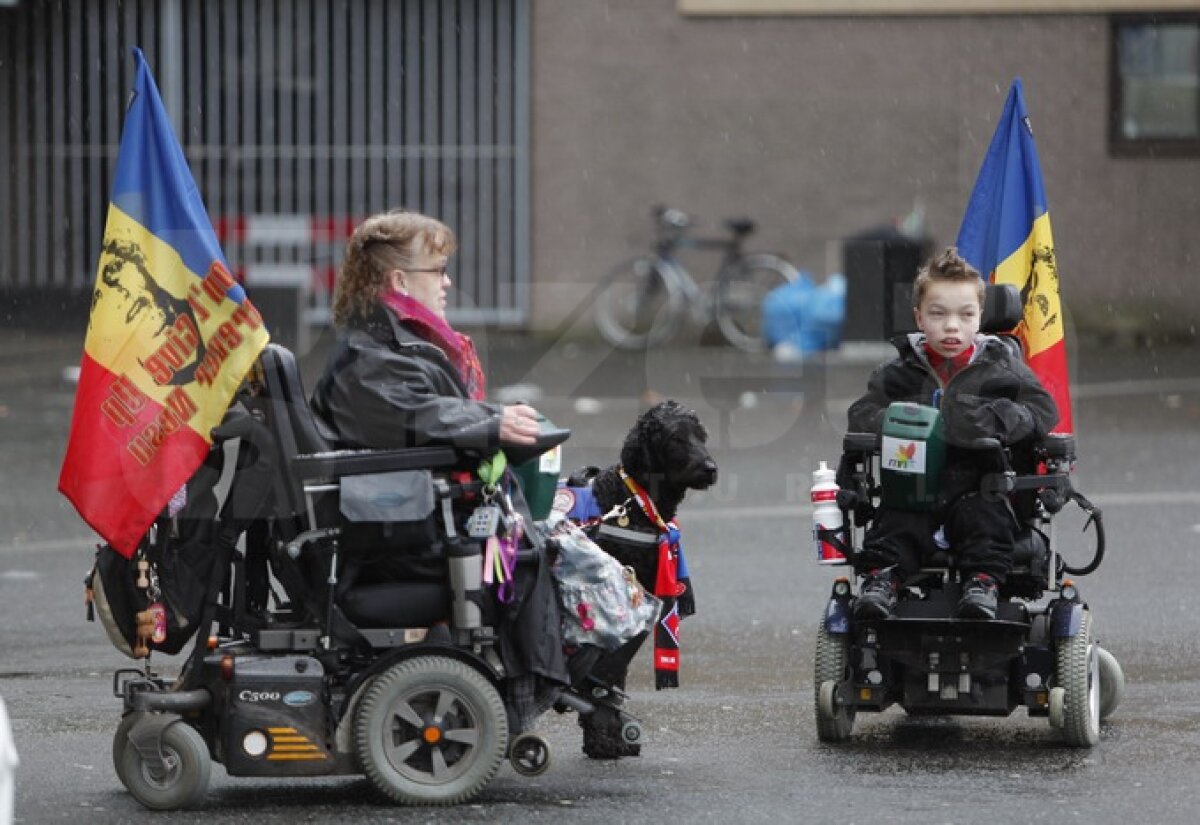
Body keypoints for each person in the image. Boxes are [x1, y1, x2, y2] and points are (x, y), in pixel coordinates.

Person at [310, 209, 568, 732]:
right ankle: (527, 695)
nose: (448, 282)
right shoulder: (371, 355)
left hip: (397, 518)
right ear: (400, 281)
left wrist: (492, 419)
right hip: (394, 537)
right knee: (532, 554)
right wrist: (492, 422)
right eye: (439, 270)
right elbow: (415, 414)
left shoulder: (388, 341)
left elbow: (424, 409)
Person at [847, 247, 1058, 620]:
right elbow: (861, 415)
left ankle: (982, 583)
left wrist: (995, 418)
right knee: (896, 521)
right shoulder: (898, 372)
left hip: (980, 485)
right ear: (919, 317)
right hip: (915, 486)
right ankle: (883, 580)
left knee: (986, 518)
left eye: (965, 315)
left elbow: (1043, 412)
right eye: (938, 314)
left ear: (980, 318)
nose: (951, 326)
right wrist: (894, 421)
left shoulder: (1002, 367)